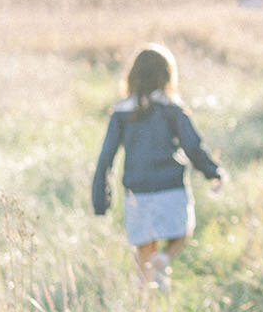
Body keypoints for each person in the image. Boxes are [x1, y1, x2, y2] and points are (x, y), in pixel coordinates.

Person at [91, 44, 225, 288]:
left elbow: (105, 159)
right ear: (167, 74)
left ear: (133, 75)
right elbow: (193, 146)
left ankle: (147, 304)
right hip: (170, 187)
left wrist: (101, 200)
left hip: (138, 192)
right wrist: (212, 172)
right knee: (183, 232)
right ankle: (165, 260)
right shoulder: (172, 108)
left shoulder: (121, 111)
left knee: (143, 247)